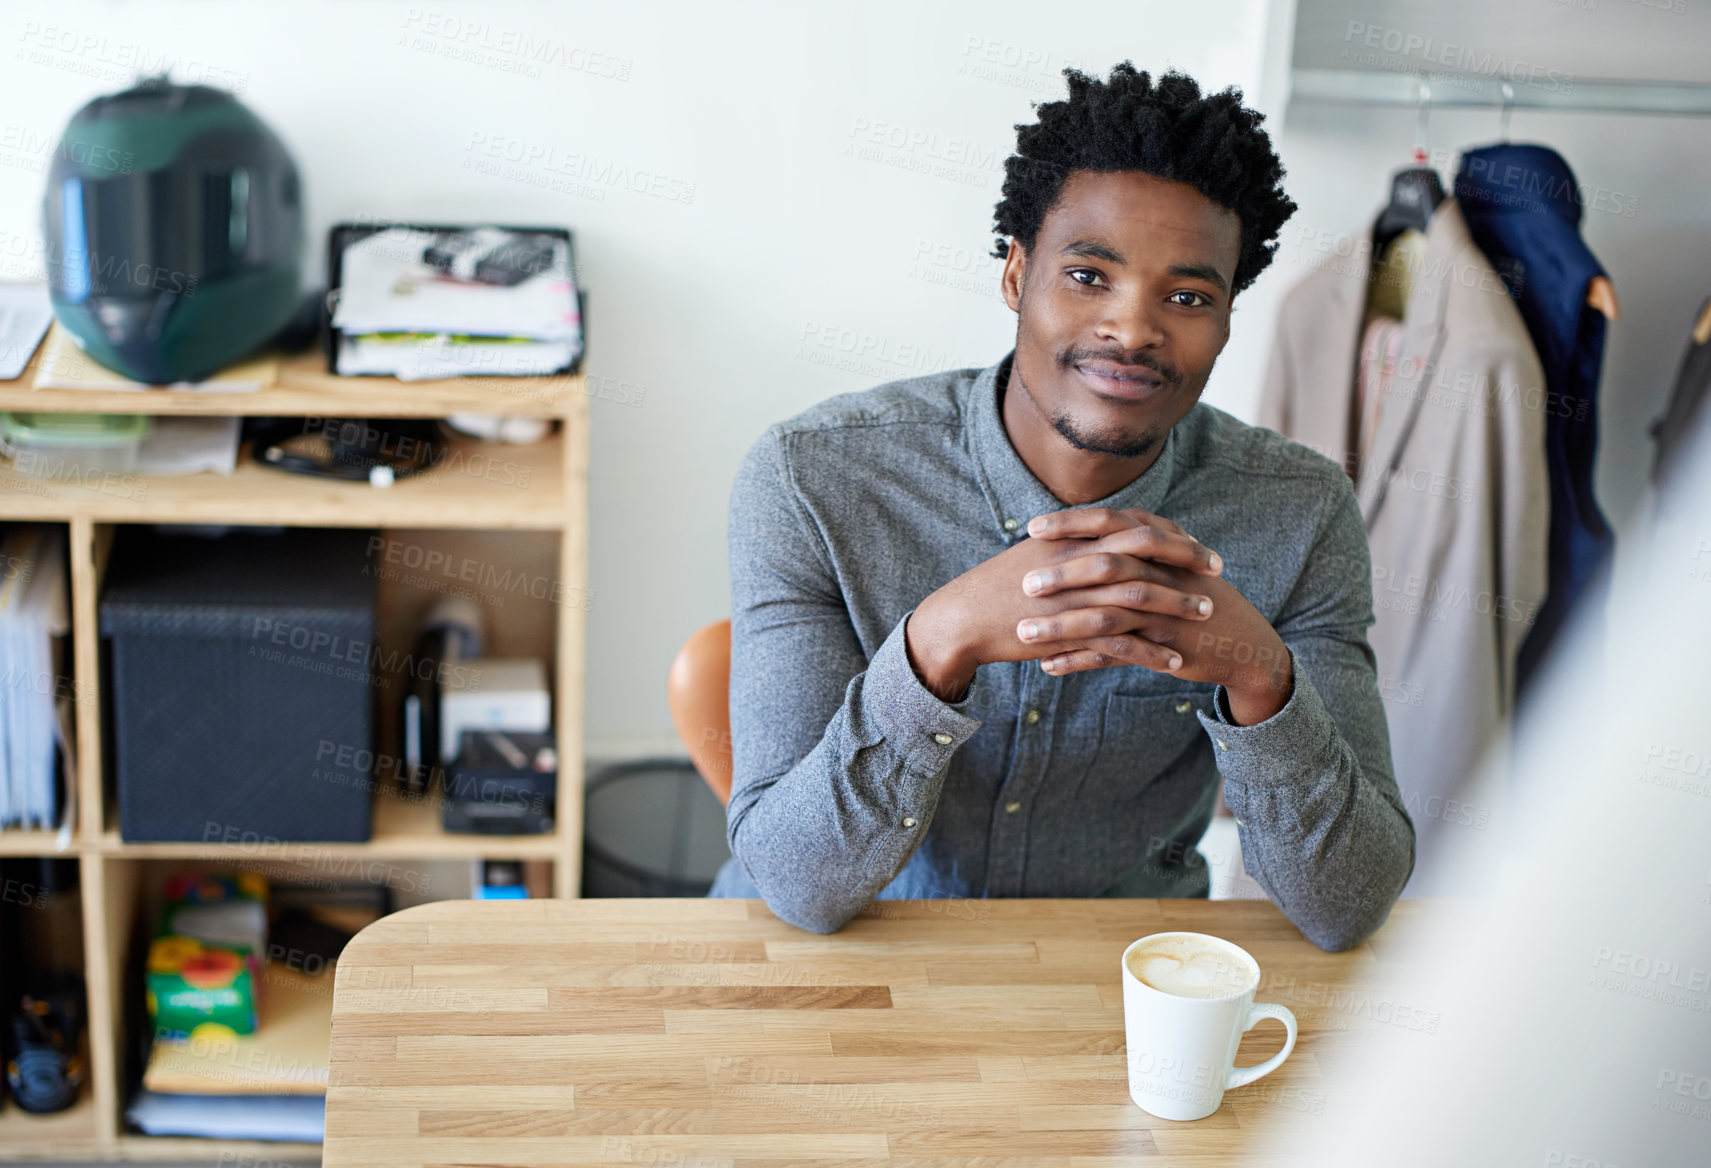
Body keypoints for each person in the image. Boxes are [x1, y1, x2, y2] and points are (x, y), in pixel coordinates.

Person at [708, 63, 1415, 951]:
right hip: (852, 958)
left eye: (1188, 297)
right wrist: (936, 645)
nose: (1131, 329)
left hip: (1115, 977)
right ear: (1015, 274)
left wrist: (1259, 680)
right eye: (1088, 276)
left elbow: (1347, 908)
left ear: (1229, 319)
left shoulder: (1298, 514)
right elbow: (795, 883)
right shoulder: (813, 479)